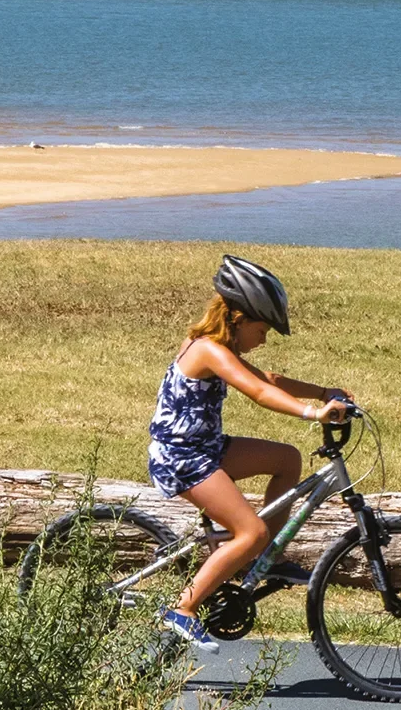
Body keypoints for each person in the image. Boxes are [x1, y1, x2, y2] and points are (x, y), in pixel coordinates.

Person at [149, 255, 350, 652]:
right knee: (251, 531)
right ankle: (182, 608)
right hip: (182, 459)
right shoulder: (207, 350)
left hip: (206, 449)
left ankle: (265, 560)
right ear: (238, 318)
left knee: (287, 459)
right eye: (262, 329)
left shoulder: (218, 349)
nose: (264, 338)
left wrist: (324, 391)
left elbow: (267, 378)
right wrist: (314, 412)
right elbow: (258, 392)